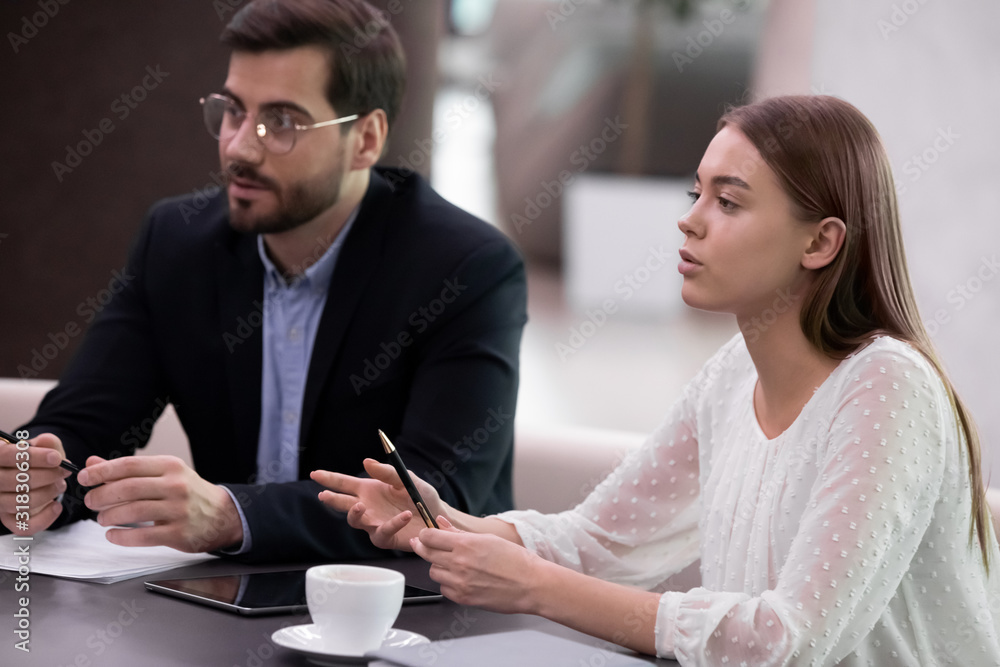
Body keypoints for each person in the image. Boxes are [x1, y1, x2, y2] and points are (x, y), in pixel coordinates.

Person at [313, 95, 1000, 664]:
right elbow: (601, 541)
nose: (689, 218)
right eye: (696, 192)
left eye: (728, 203)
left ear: (820, 242)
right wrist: (449, 526)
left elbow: (790, 640)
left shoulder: (887, 388)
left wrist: (537, 588)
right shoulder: (731, 376)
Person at [0, 0, 526, 563]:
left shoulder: (465, 267)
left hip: (423, 614)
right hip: (222, 609)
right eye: (232, 111)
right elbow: (83, 425)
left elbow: (435, 502)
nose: (239, 147)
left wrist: (232, 515)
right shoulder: (177, 245)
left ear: (367, 139)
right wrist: (33, 480)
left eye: (282, 122)